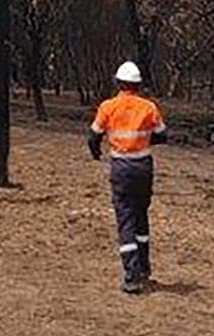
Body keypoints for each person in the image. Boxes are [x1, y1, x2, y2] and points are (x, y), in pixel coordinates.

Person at [87, 61, 168, 294]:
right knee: (141, 216)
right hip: (143, 167)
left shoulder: (108, 107)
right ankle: (144, 268)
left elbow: (93, 137)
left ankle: (131, 276)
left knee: (125, 219)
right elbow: (163, 135)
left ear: (118, 83)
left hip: (121, 168)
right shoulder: (149, 108)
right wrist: (142, 142)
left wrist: (97, 153)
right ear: (138, 84)